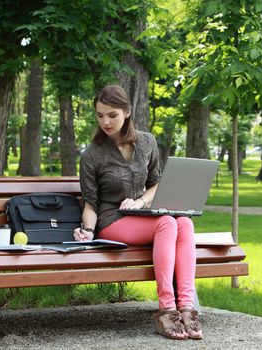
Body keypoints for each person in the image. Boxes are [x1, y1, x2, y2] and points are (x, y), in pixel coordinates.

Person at [74, 85, 203, 340]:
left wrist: (142, 201)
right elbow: (91, 203)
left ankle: (187, 308)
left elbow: (156, 182)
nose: (105, 121)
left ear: (128, 112)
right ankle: (166, 310)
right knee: (167, 222)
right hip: (112, 220)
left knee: (184, 223)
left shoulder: (147, 142)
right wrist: (88, 231)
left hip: (142, 216)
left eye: (112, 115)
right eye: (100, 115)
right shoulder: (92, 154)